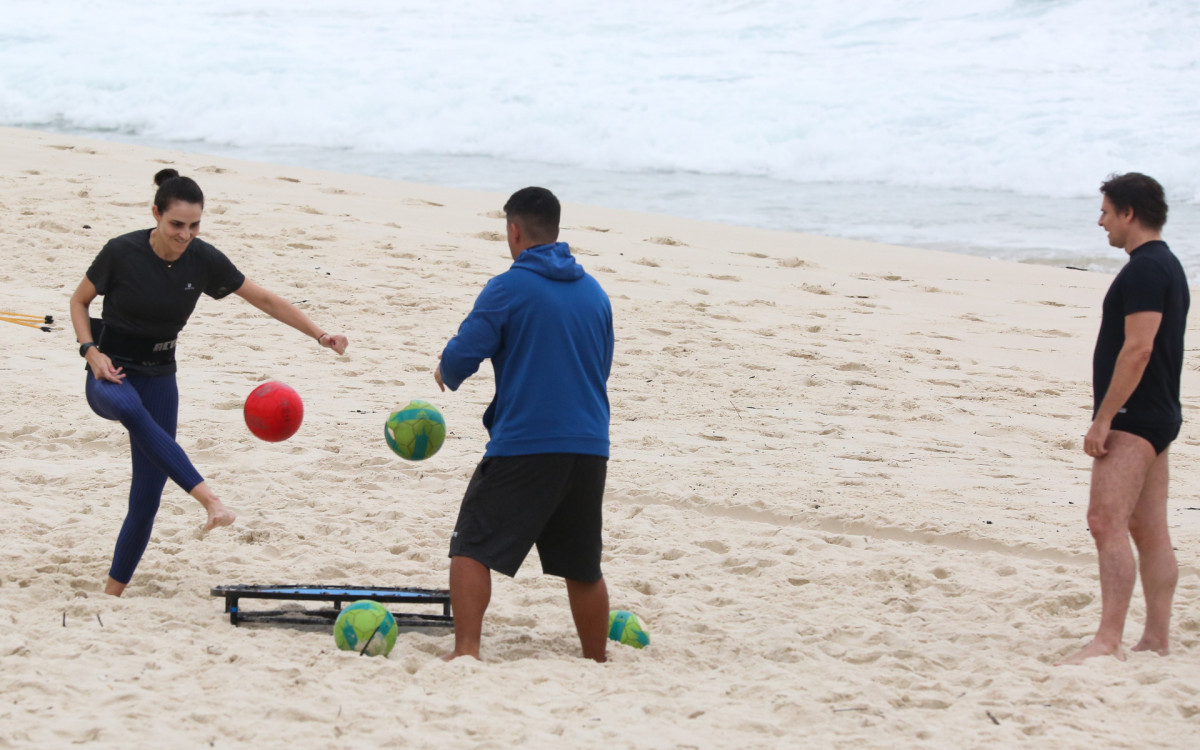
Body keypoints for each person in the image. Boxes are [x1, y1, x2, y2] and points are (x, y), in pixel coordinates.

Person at [69, 169, 348, 597]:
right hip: (111, 373)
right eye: (176, 224)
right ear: (156, 215)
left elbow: (264, 298)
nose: (185, 234)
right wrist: (91, 351)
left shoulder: (203, 259)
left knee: (146, 498)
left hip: (161, 377)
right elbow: (80, 300)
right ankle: (211, 500)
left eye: (194, 225)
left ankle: (112, 594)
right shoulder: (121, 252)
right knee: (128, 409)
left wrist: (319, 334)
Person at [434, 187, 614, 662]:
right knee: (583, 566)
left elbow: (461, 356)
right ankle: (596, 657)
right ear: (555, 230)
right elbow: (601, 365)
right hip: (590, 444)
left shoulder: (508, 287)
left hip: (527, 443)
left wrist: (443, 372)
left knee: (471, 544)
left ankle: (466, 652)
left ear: (514, 230)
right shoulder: (594, 293)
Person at [1061, 172, 1189, 664]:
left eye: (1107, 212)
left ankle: (1107, 641)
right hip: (1159, 413)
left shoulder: (1143, 270)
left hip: (1136, 415)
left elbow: (1137, 350)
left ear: (1129, 214)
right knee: (1148, 527)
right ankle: (1156, 638)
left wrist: (1104, 419)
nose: (1101, 222)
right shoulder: (1169, 265)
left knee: (1104, 520)